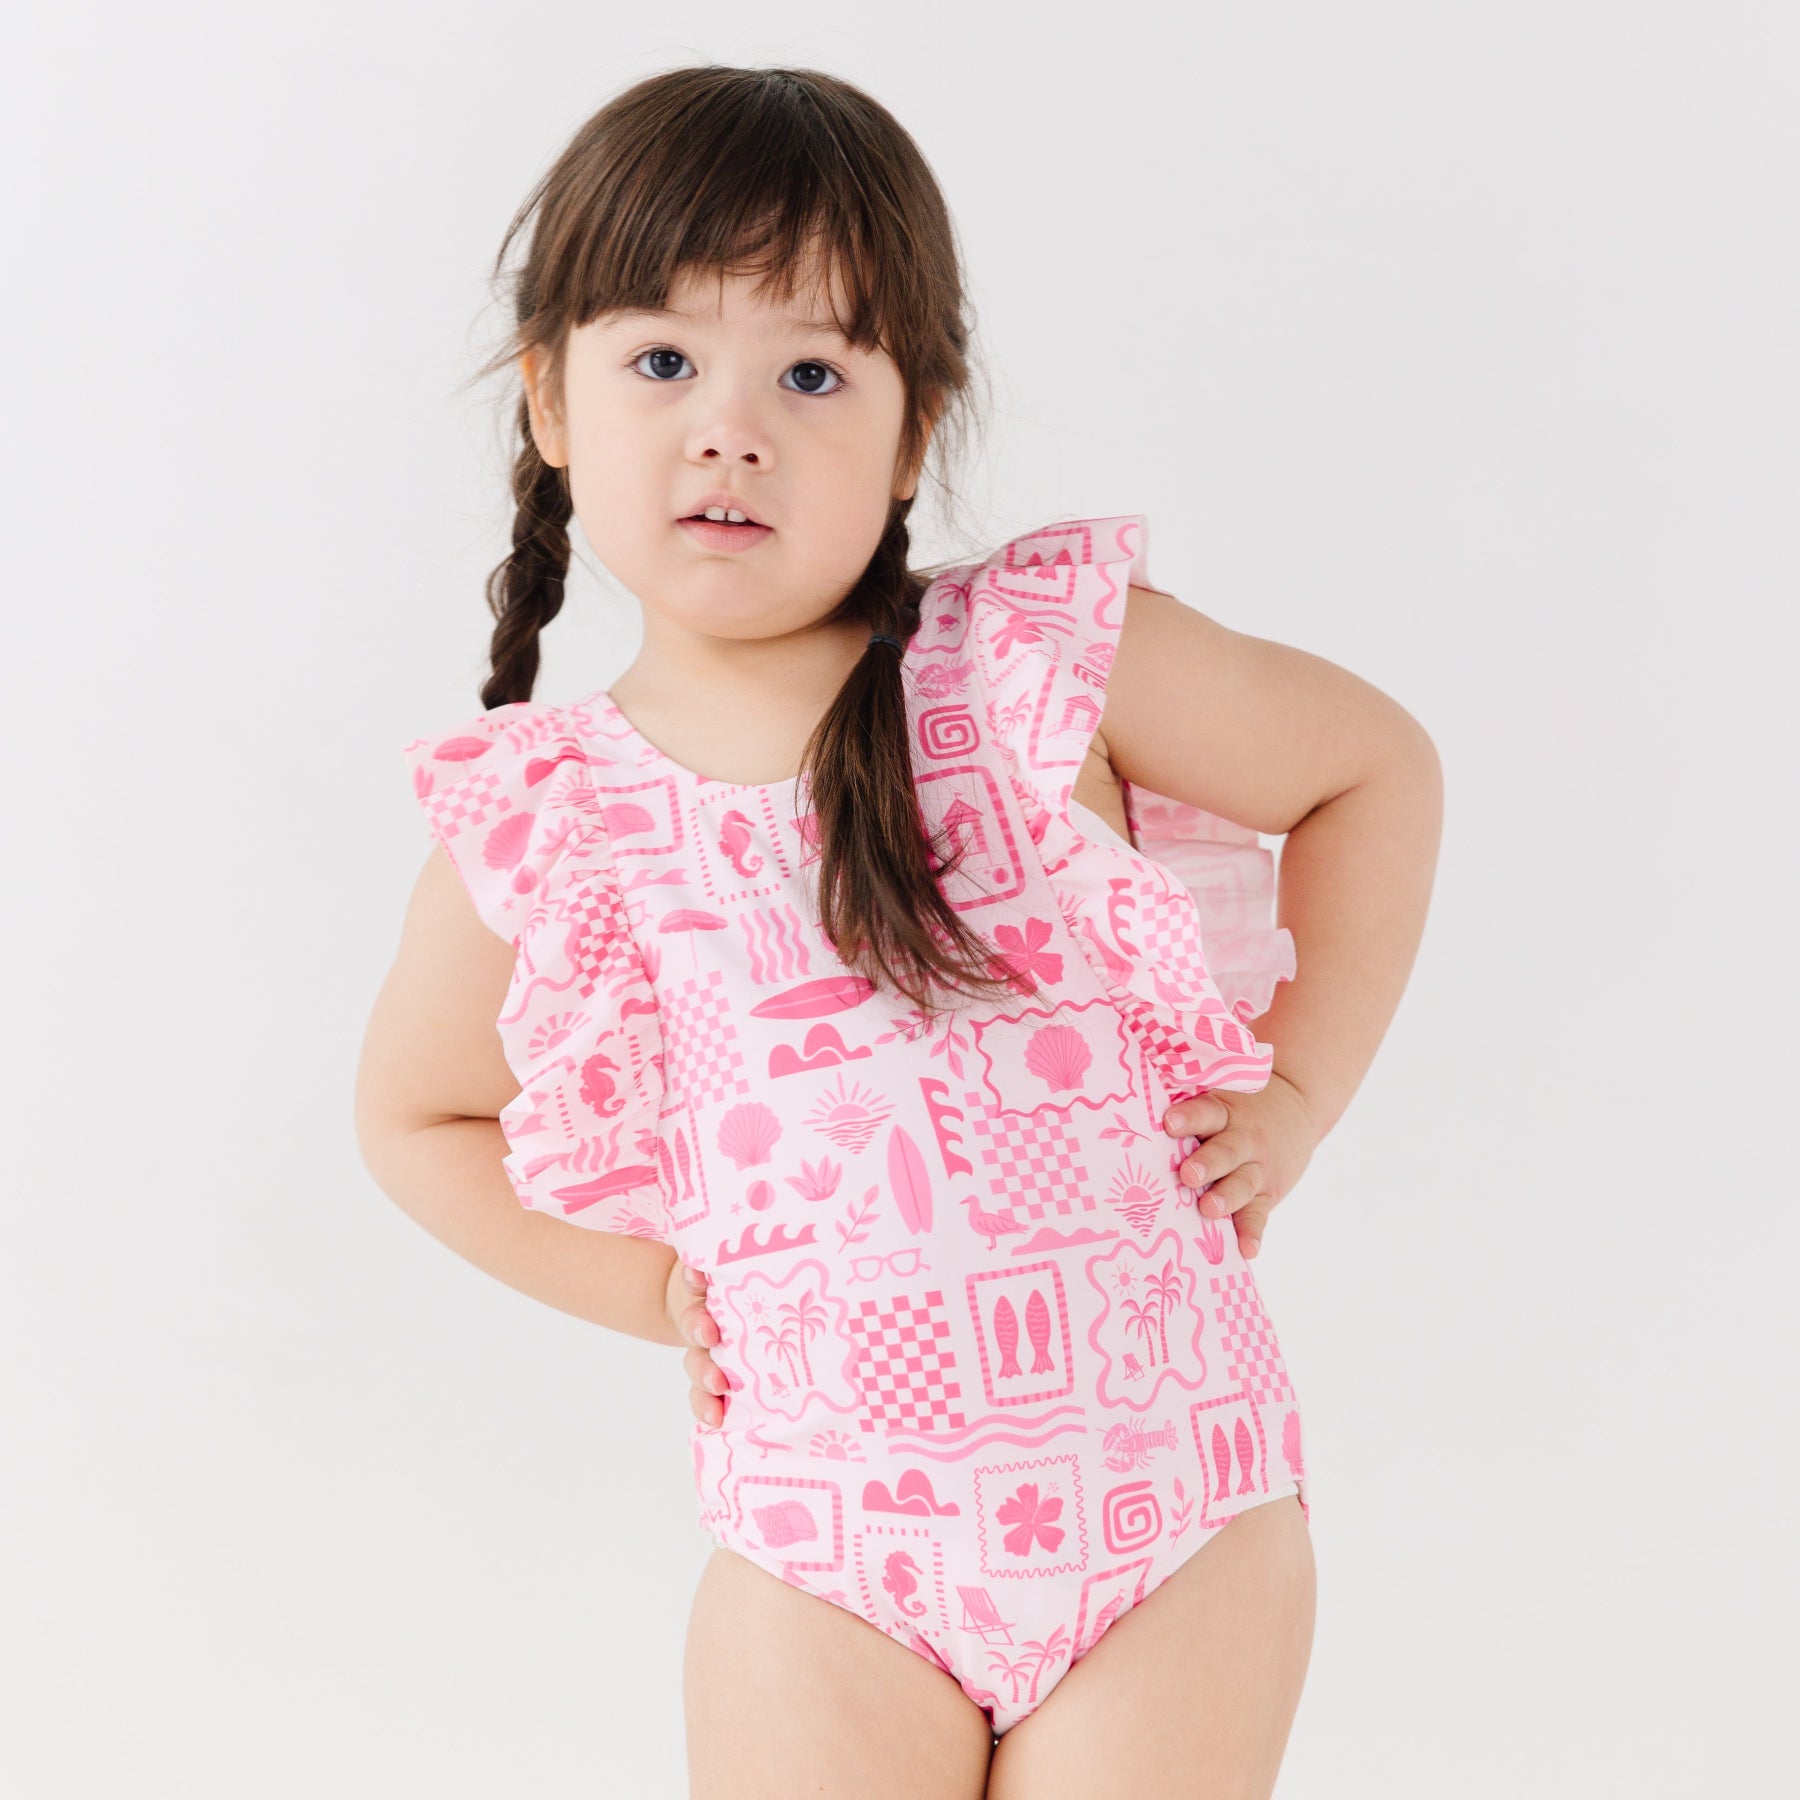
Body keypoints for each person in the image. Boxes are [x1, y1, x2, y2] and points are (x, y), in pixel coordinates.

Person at [355, 63, 1442, 1800]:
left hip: (1175, 1515)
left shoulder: (1035, 667)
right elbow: (416, 1120)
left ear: (912, 430)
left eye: (811, 373)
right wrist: (654, 1287)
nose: (732, 428)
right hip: (827, 1558)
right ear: (550, 397)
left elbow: (1370, 770)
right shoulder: (564, 814)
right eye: (663, 361)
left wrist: (1296, 1096)